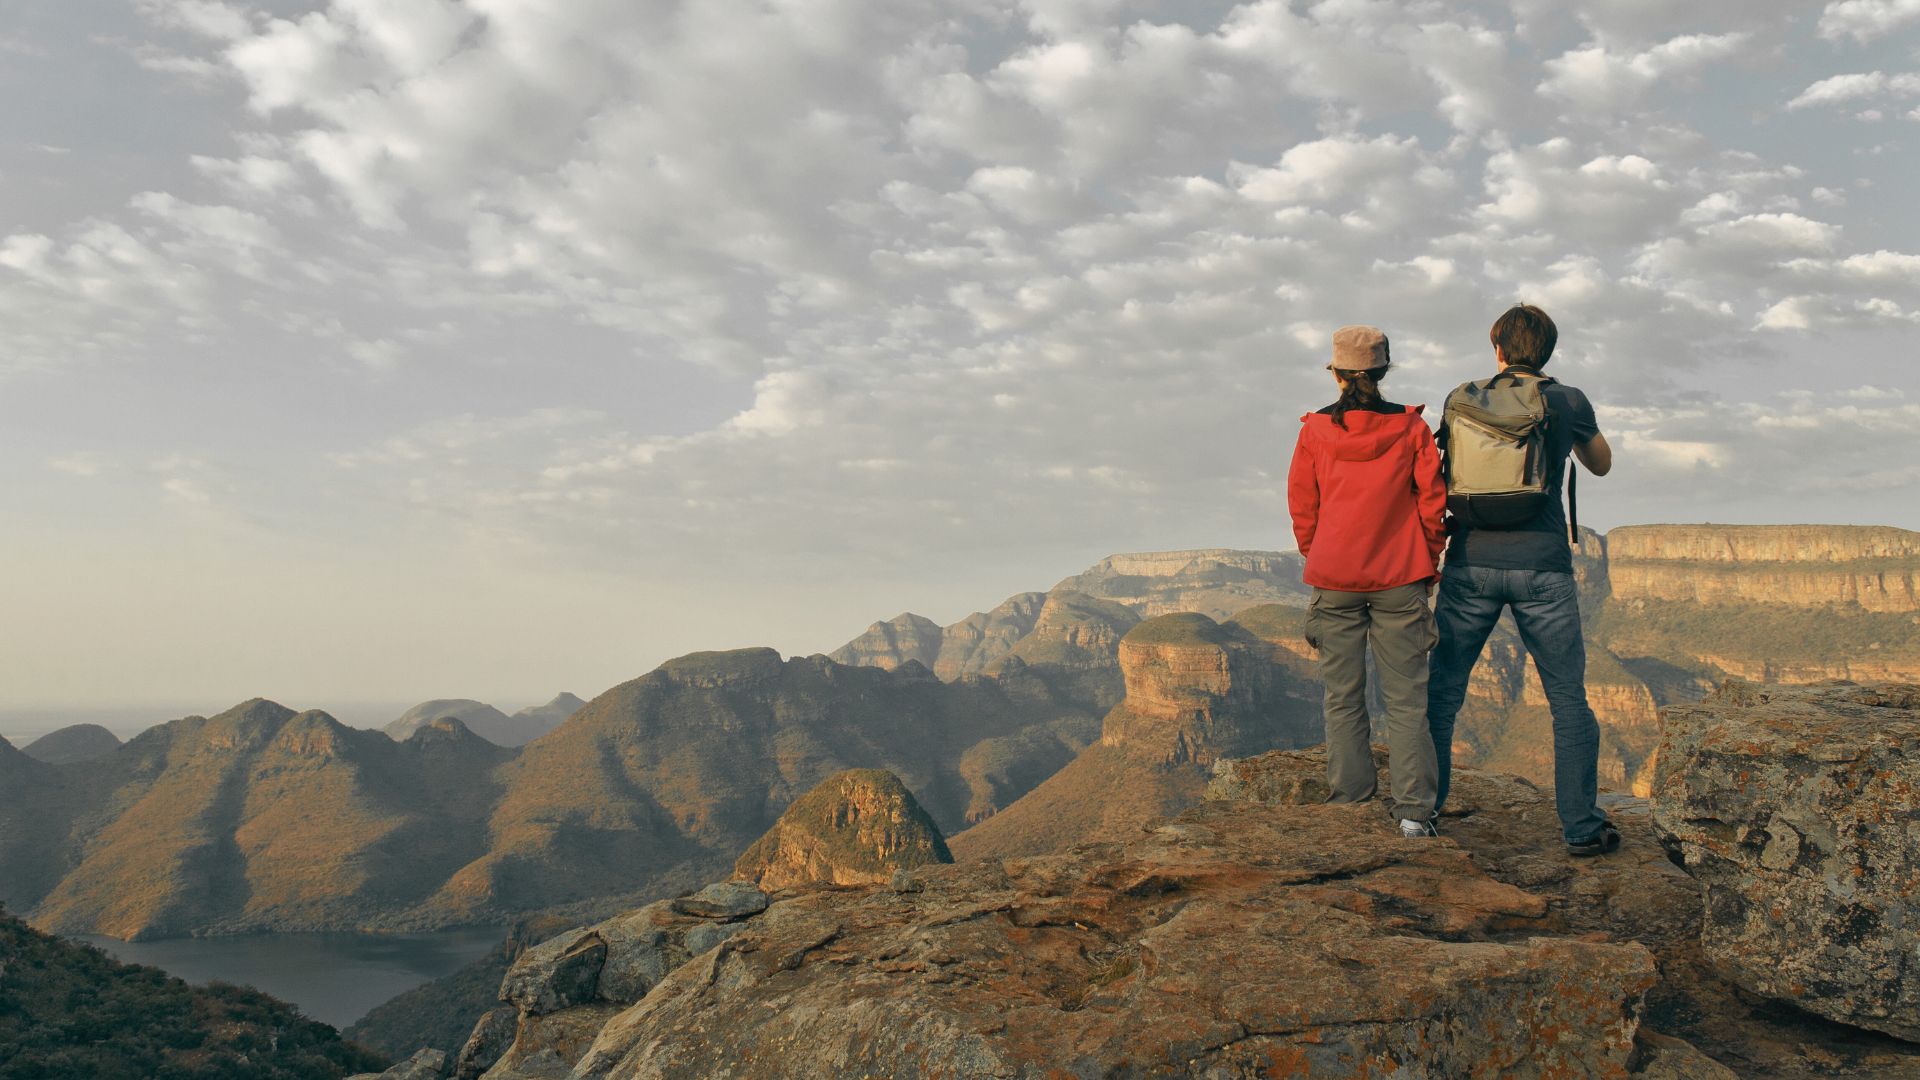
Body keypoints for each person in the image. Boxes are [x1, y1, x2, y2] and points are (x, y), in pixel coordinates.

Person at [1427, 304, 1620, 856]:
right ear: (1549, 350)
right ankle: (1581, 828)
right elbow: (1601, 464)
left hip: (1470, 562)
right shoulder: (1567, 399)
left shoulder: (1463, 397)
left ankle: (1425, 814)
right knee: (1566, 700)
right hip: (1542, 566)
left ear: (1498, 349)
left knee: (1442, 697)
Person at [1287, 325, 1447, 838]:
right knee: (1406, 699)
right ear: (1384, 371)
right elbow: (1433, 501)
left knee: (1343, 696)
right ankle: (1414, 814)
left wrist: (1322, 551)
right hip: (1401, 577)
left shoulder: (1314, 431)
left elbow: (1302, 505)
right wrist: (1428, 556)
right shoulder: (1410, 428)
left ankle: (1351, 801)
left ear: (1335, 375)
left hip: (1335, 579)